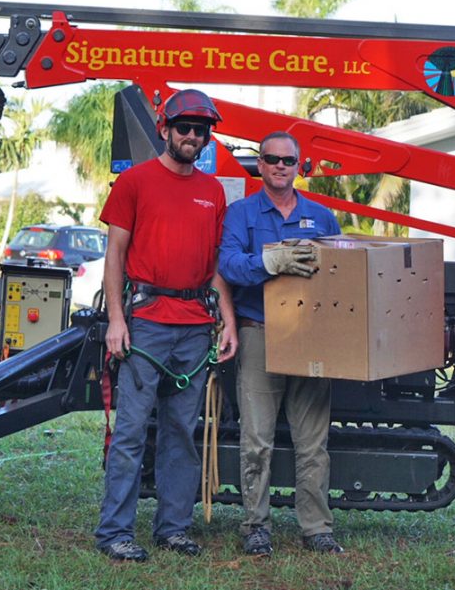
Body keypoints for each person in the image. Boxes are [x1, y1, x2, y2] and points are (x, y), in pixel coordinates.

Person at [95, 88, 238, 562]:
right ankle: (115, 532)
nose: (193, 136)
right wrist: (117, 321)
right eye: (184, 128)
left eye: (201, 130)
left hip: (196, 327)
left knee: (182, 432)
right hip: (147, 325)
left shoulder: (213, 191)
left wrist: (228, 322)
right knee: (133, 432)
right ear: (165, 129)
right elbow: (114, 256)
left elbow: (215, 265)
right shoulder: (134, 182)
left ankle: (172, 528)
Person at [218, 131, 344, 556]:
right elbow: (228, 265)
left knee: (313, 440)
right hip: (259, 331)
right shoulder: (241, 214)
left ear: (299, 165)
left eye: (287, 160)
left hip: (310, 337)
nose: (279, 166)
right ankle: (256, 525)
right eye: (271, 159)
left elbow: (340, 273)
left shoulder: (322, 217)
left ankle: (317, 527)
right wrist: (268, 262)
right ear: (260, 163)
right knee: (257, 438)